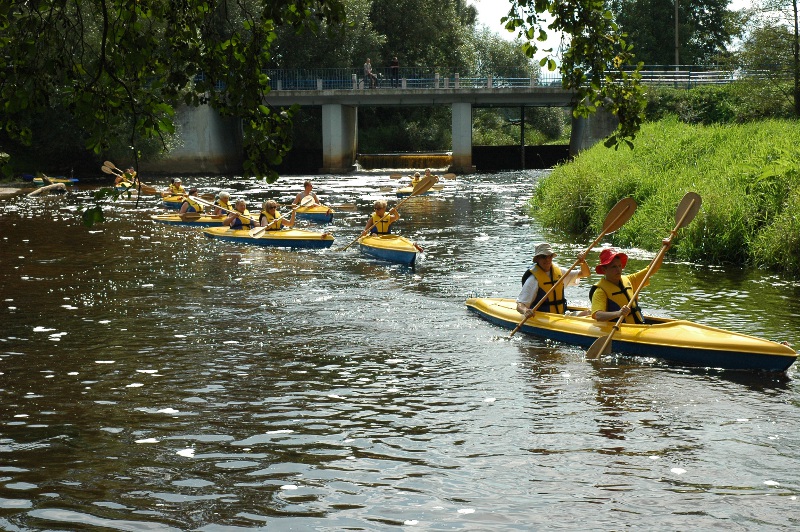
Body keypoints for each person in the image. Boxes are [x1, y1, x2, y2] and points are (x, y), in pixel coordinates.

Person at [590, 243, 671, 324]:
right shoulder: (600, 291)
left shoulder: (629, 280)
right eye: (614, 267)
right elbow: (598, 316)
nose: (618, 270)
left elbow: (651, 269)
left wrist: (662, 250)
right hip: (618, 329)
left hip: (637, 326)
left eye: (619, 266)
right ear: (604, 270)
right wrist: (618, 313)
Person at [517, 243, 590, 317]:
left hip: (561, 315)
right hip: (543, 318)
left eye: (550, 256)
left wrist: (582, 262)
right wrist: (525, 311)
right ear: (537, 259)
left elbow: (585, 273)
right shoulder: (533, 280)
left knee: (588, 313)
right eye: (544, 257)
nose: (547, 259)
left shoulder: (560, 272)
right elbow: (520, 305)